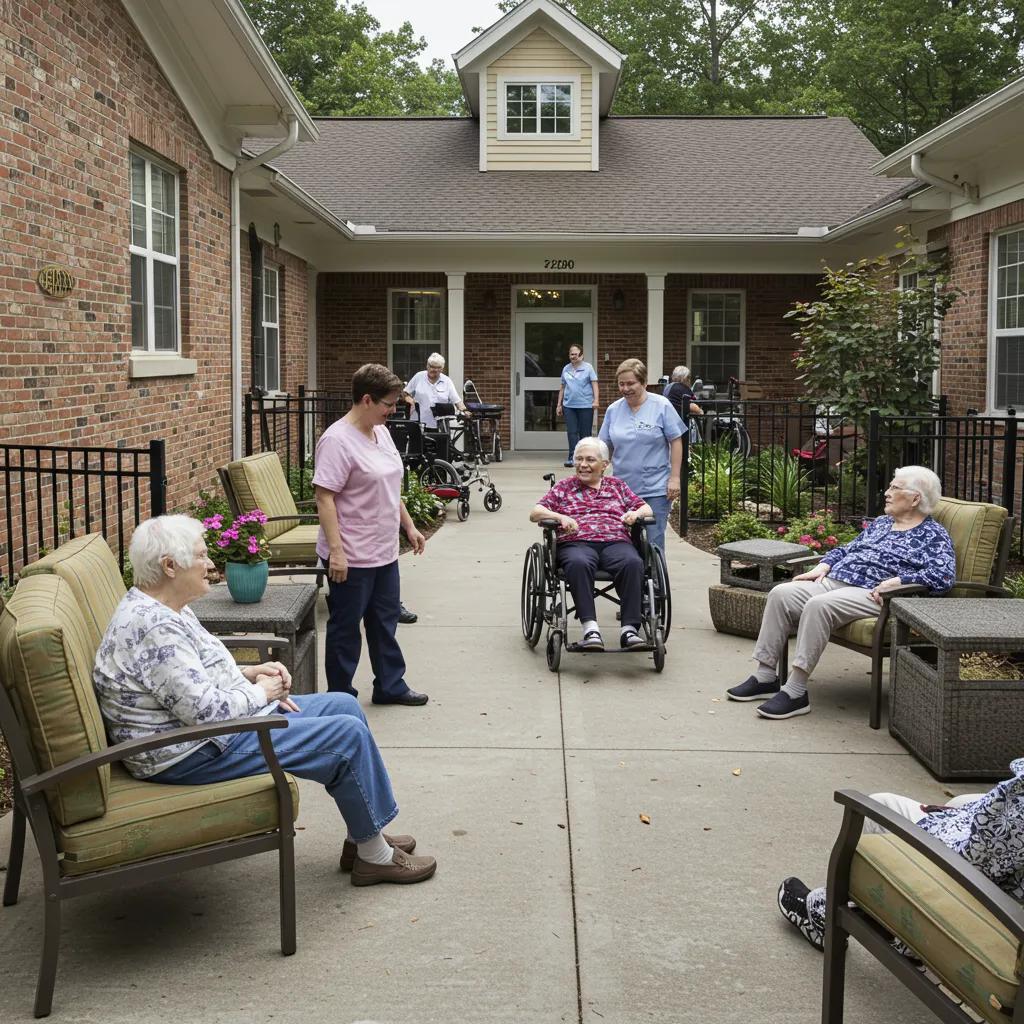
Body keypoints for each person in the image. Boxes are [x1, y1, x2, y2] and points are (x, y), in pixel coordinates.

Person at [93, 515, 437, 886]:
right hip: (187, 752)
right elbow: (207, 713)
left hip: (204, 733)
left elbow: (186, 677)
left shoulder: (164, 607)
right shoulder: (154, 628)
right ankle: (376, 859)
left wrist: (248, 673)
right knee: (345, 735)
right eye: (202, 555)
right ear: (170, 566)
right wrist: (261, 694)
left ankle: (362, 838)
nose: (211, 564)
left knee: (343, 705)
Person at [727, 465, 955, 720]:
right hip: (836, 580)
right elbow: (847, 549)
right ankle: (766, 675)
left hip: (873, 594)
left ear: (915, 499)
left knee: (818, 605)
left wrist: (898, 581)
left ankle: (796, 691)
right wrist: (823, 565)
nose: (887, 492)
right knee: (781, 593)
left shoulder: (933, 535)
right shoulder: (882, 523)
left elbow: (943, 576)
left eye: (895, 487)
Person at [778, 759, 1024, 951]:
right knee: (962, 802)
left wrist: (940, 818)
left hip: (992, 903)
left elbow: (974, 855)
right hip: (1009, 879)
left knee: (878, 805)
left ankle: (829, 918)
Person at [315, 363, 430, 706]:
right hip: (350, 553)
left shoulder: (380, 432)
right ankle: (340, 698)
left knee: (385, 622)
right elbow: (325, 497)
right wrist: (336, 552)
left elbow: (390, 487)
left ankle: (390, 686)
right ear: (366, 399)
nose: (393, 410)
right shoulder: (337, 440)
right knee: (346, 629)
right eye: (388, 404)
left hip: (383, 550)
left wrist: (409, 526)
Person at [530, 437, 653, 651]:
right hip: (576, 543)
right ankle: (591, 629)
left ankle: (630, 631)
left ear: (604, 465)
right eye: (578, 459)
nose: (582, 465)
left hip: (615, 541)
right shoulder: (564, 487)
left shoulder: (617, 486)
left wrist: (634, 514)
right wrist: (560, 517)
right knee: (578, 563)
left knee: (633, 562)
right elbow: (535, 513)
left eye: (589, 459)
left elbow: (646, 509)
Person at [598, 358, 684, 553]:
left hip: (655, 488)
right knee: (621, 542)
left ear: (644, 383)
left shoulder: (661, 405)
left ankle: (653, 580)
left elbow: (676, 441)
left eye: (631, 383)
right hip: (622, 489)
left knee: (652, 542)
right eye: (622, 384)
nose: (626, 388)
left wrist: (675, 478)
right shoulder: (614, 410)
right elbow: (604, 446)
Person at [556, 344, 600, 468]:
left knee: (585, 433)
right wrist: (559, 405)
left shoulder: (588, 368)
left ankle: (586, 458)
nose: (573, 356)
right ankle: (572, 458)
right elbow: (562, 387)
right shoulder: (566, 368)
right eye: (571, 354)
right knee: (572, 432)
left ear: (581, 355)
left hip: (585, 405)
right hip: (569, 405)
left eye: (576, 354)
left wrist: (596, 400)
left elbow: (594, 384)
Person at [403, 352, 468, 430]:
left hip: (440, 426)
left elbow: (457, 401)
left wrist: (465, 411)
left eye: (438, 367)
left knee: (441, 442)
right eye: (432, 367)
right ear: (427, 366)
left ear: (442, 368)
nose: (435, 370)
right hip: (419, 423)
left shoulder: (447, 381)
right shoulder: (419, 377)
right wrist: (409, 399)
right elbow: (405, 393)